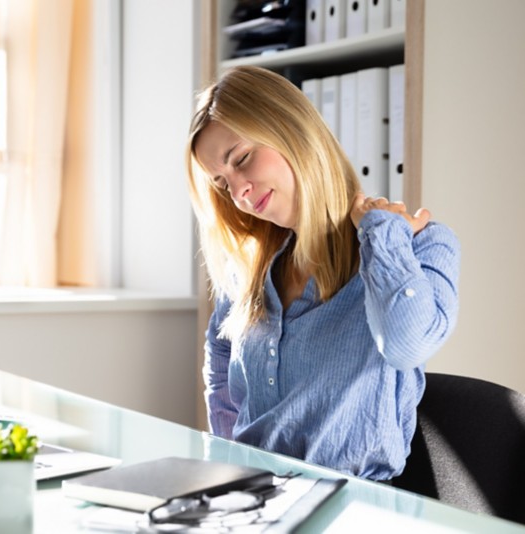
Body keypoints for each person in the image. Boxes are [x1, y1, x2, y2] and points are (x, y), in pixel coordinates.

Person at [185, 66, 460, 481]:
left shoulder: (421, 244)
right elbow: (220, 359)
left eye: (241, 159)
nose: (238, 190)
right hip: (254, 506)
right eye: (222, 183)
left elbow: (407, 345)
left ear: (291, 129)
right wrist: (230, 465)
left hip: (355, 508)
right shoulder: (248, 268)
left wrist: (382, 235)